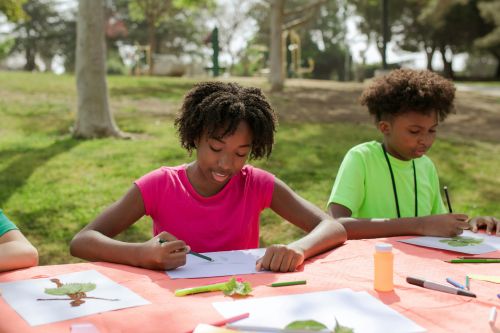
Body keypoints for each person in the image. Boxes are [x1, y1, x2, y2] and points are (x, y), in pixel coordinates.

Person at [70, 81, 347, 272]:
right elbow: (82, 242)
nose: (226, 164)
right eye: (216, 148)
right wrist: (141, 254)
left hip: (238, 297)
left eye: (241, 153)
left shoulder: (256, 184)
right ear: (195, 137)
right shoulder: (160, 185)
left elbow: (333, 227)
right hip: (175, 300)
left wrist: (298, 248)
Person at [327, 69, 500, 239]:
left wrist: (472, 226)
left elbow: (437, 226)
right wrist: (420, 225)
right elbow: (337, 224)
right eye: (415, 131)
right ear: (385, 128)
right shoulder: (361, 158)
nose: (425, 140)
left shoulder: (426, 166)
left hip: (420, 266)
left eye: (432, 130)